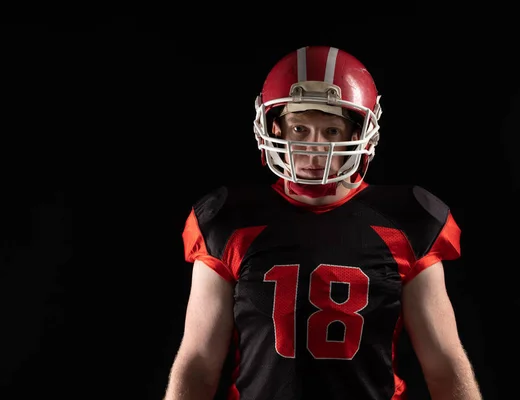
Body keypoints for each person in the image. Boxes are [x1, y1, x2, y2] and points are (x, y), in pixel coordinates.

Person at [163, 45, 482, 400]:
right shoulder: (227, 219)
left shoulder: (408, 220)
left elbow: (443, 362)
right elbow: (199, 361)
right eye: (300, 128)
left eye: (331, 131)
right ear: (275, 129)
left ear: (360, 133)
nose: (315, 148)